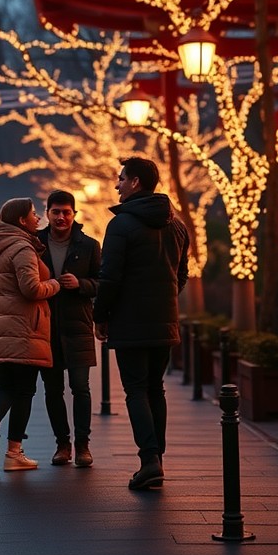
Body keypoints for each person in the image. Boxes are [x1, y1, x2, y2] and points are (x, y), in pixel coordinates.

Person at [93, 157, 189, 491]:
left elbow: (109, 278)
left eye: (120, 179)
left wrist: (100, 316)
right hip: (165, 322)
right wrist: (164, 299)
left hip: (130, 323)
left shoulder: (121, 225)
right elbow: (182, 275)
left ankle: (149, 461)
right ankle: (156, 459)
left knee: (135, 390)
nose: (116, 185)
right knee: (154, 388)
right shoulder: (176, 225)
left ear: (135, 182)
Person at [0, 198, 60, 472]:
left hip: (0, 329)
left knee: (6, 388)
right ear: (22, 221)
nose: (39, 219)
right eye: (34, 215)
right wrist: (55, 284)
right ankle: (13, 452)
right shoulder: (21, 247)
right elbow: (31, 289)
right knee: (25, 391)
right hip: (24, 328)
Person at [38, 189, 101, 467]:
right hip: (45, 325)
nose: (61, 217)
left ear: (74, 214)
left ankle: (83, 445)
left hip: (78, 324)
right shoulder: (34, 244)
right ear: (47, 213)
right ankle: (62, 445)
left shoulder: (88, 245)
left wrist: (82, 285)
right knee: (52, 390)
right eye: (56, 212)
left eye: (66, 212)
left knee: (80, 387)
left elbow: (103, 282)